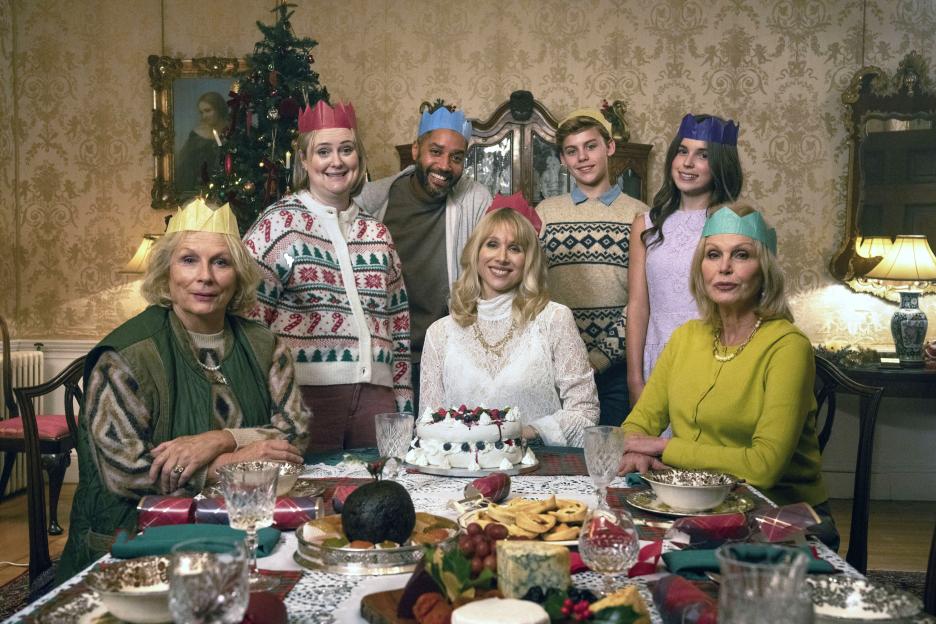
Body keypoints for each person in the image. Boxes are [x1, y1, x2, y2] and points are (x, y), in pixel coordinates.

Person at [58, 199, 310, 579]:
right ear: (166, 272)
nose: (205, 276)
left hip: (240, 534)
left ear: (238, 275)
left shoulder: (265, 345)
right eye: (189, 259)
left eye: (221, 262)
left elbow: (295, 434)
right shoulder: (127, 355)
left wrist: (222, 438)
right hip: (134, 543)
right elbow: (125, 471)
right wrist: (232, 462)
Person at [620, 203, 838, 549]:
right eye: (713, 255)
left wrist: (663, 446)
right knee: (619, 539)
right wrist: (636, 448)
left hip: (787, 510)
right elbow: (639, 423)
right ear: (700, 268)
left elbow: (763, 466)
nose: (724, 268)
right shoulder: (686, 337)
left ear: (763, 269)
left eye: (740, 255)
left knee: (687, 549)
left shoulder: (788, 346)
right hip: (700, 502)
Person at [244, 101, 412, 452]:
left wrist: (403, 409)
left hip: (377, 402)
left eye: (346, 150)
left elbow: (398, 327)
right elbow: (249, 326)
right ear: (304, 160)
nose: (336, 161)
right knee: (309, 497)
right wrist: (265, 407)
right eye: (324, 151)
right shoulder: (277, 226)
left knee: (381, 493)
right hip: (303, 400)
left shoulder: (377, 233)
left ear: (358, 158)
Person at [419, 195, 599, 446]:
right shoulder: (439, 333)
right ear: (475, 252)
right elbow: (429, 425)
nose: (502, 257)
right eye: (492, 244)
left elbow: (585, 414)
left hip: (540, 471)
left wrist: (525, 432)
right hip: (463, 476)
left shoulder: (554, 319)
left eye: (515, 248)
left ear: (528, 260)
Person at [356, 107, 492, 410]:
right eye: (435, 152)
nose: (444, 165)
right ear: (416, 149)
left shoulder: (476, 200)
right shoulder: (373, 200)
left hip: (447, 358)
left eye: (456, 157)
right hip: (383, 359)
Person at [537, 109, 648, 427]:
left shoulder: (639, 215)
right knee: (558, 461)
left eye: (591, 146)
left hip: (616, 370)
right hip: (556, 367)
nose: (582, 158)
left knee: (611, 459)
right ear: (562, 159)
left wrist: (596, 360)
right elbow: (532, 289)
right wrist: (569, 360)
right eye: (572, 151)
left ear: (610, 147)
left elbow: (643, 300)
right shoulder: (545, 213)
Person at [626, 113, 742, 407]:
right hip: (657, 355)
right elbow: (638, 307)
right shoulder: (646, 223)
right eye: (682, 151)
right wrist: (635, 379)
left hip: (712, 357)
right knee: (653, 449)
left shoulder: (730, 222)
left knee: (698, 449)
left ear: (720, 165)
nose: (688, 163)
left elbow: (743, 304)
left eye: (702, 155)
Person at [175, 91, 229, 197]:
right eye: (201, 112)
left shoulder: (234, 130)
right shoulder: (196, 136)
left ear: (219, 109)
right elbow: (186, 168)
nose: (204, 116)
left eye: (208, 111)